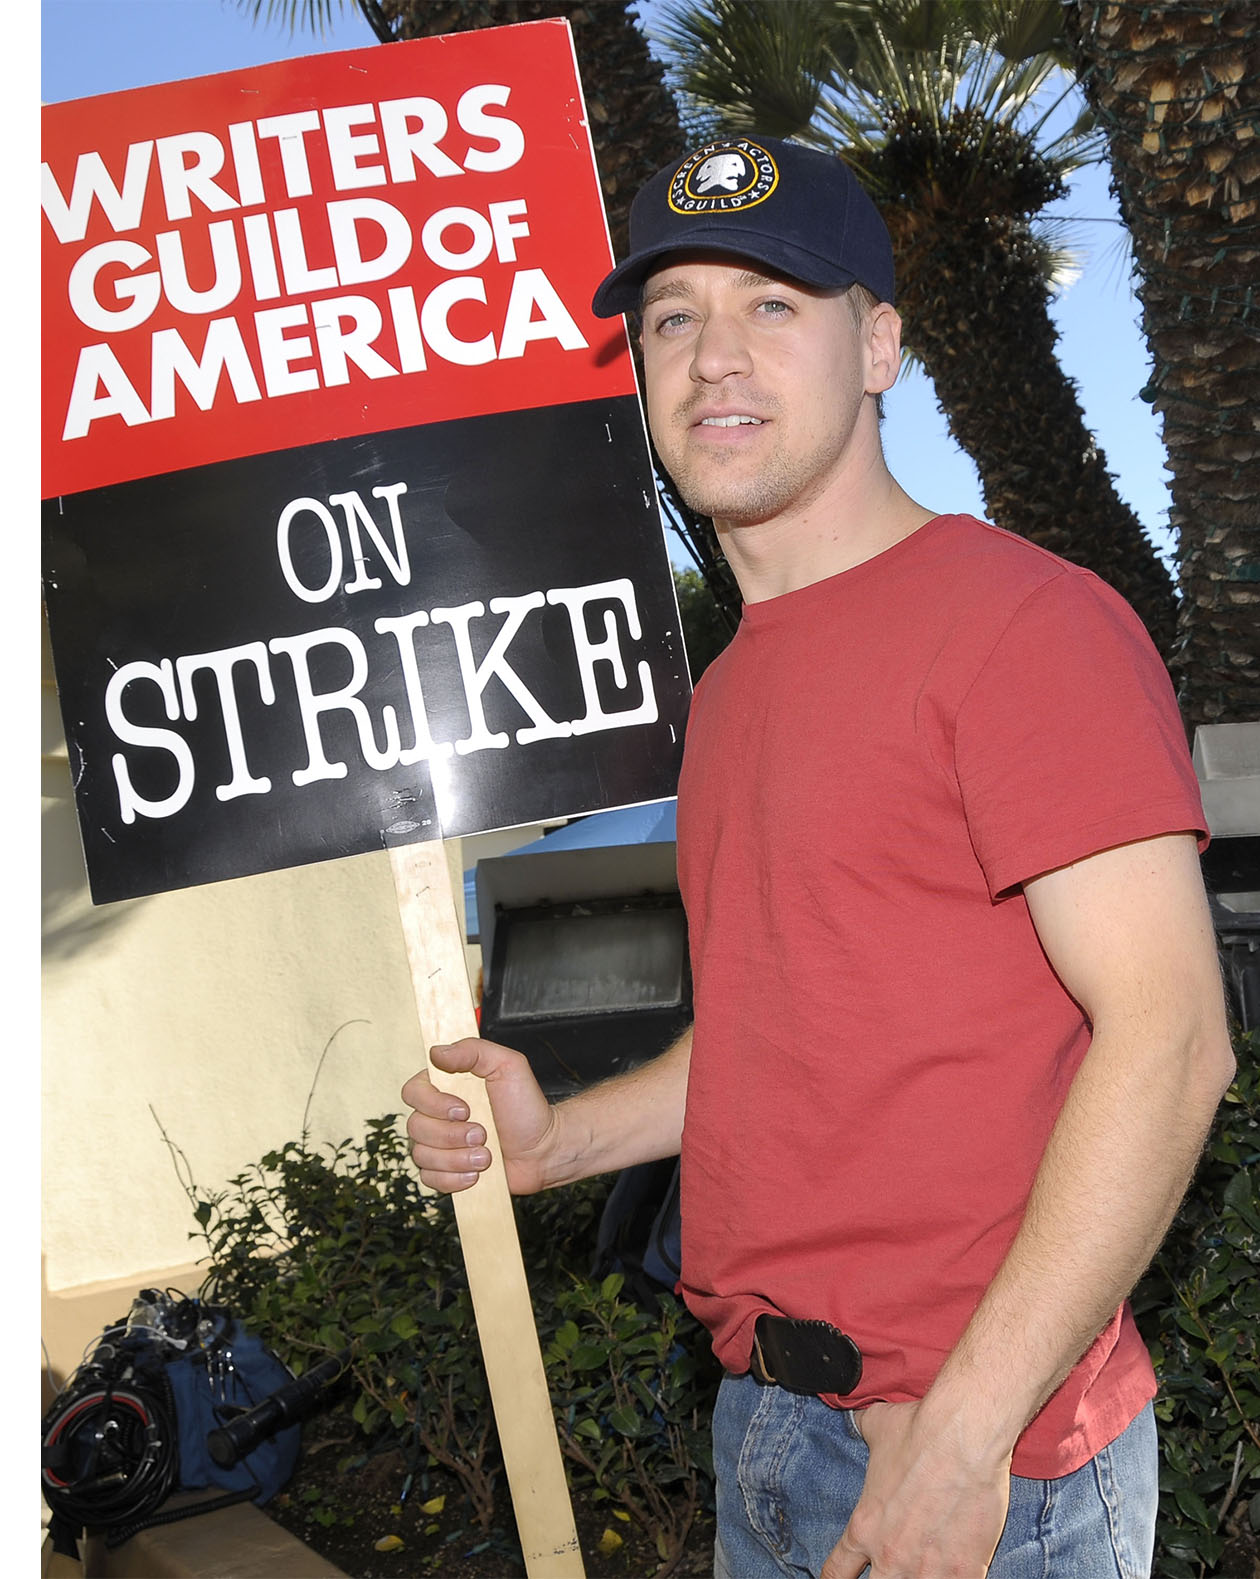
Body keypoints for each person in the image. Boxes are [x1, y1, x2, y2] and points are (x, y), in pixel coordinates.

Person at [403, 137, 1231, 1578]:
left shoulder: (1025, 624)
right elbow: (775, 1041)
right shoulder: (726, 692)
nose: (715, 356)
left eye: (773, 303)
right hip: (766, 1427)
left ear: (881, 346)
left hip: (988, 1465)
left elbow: (1170, 1043)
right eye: (674, 318)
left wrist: (968, 1437)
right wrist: (560, 1141)